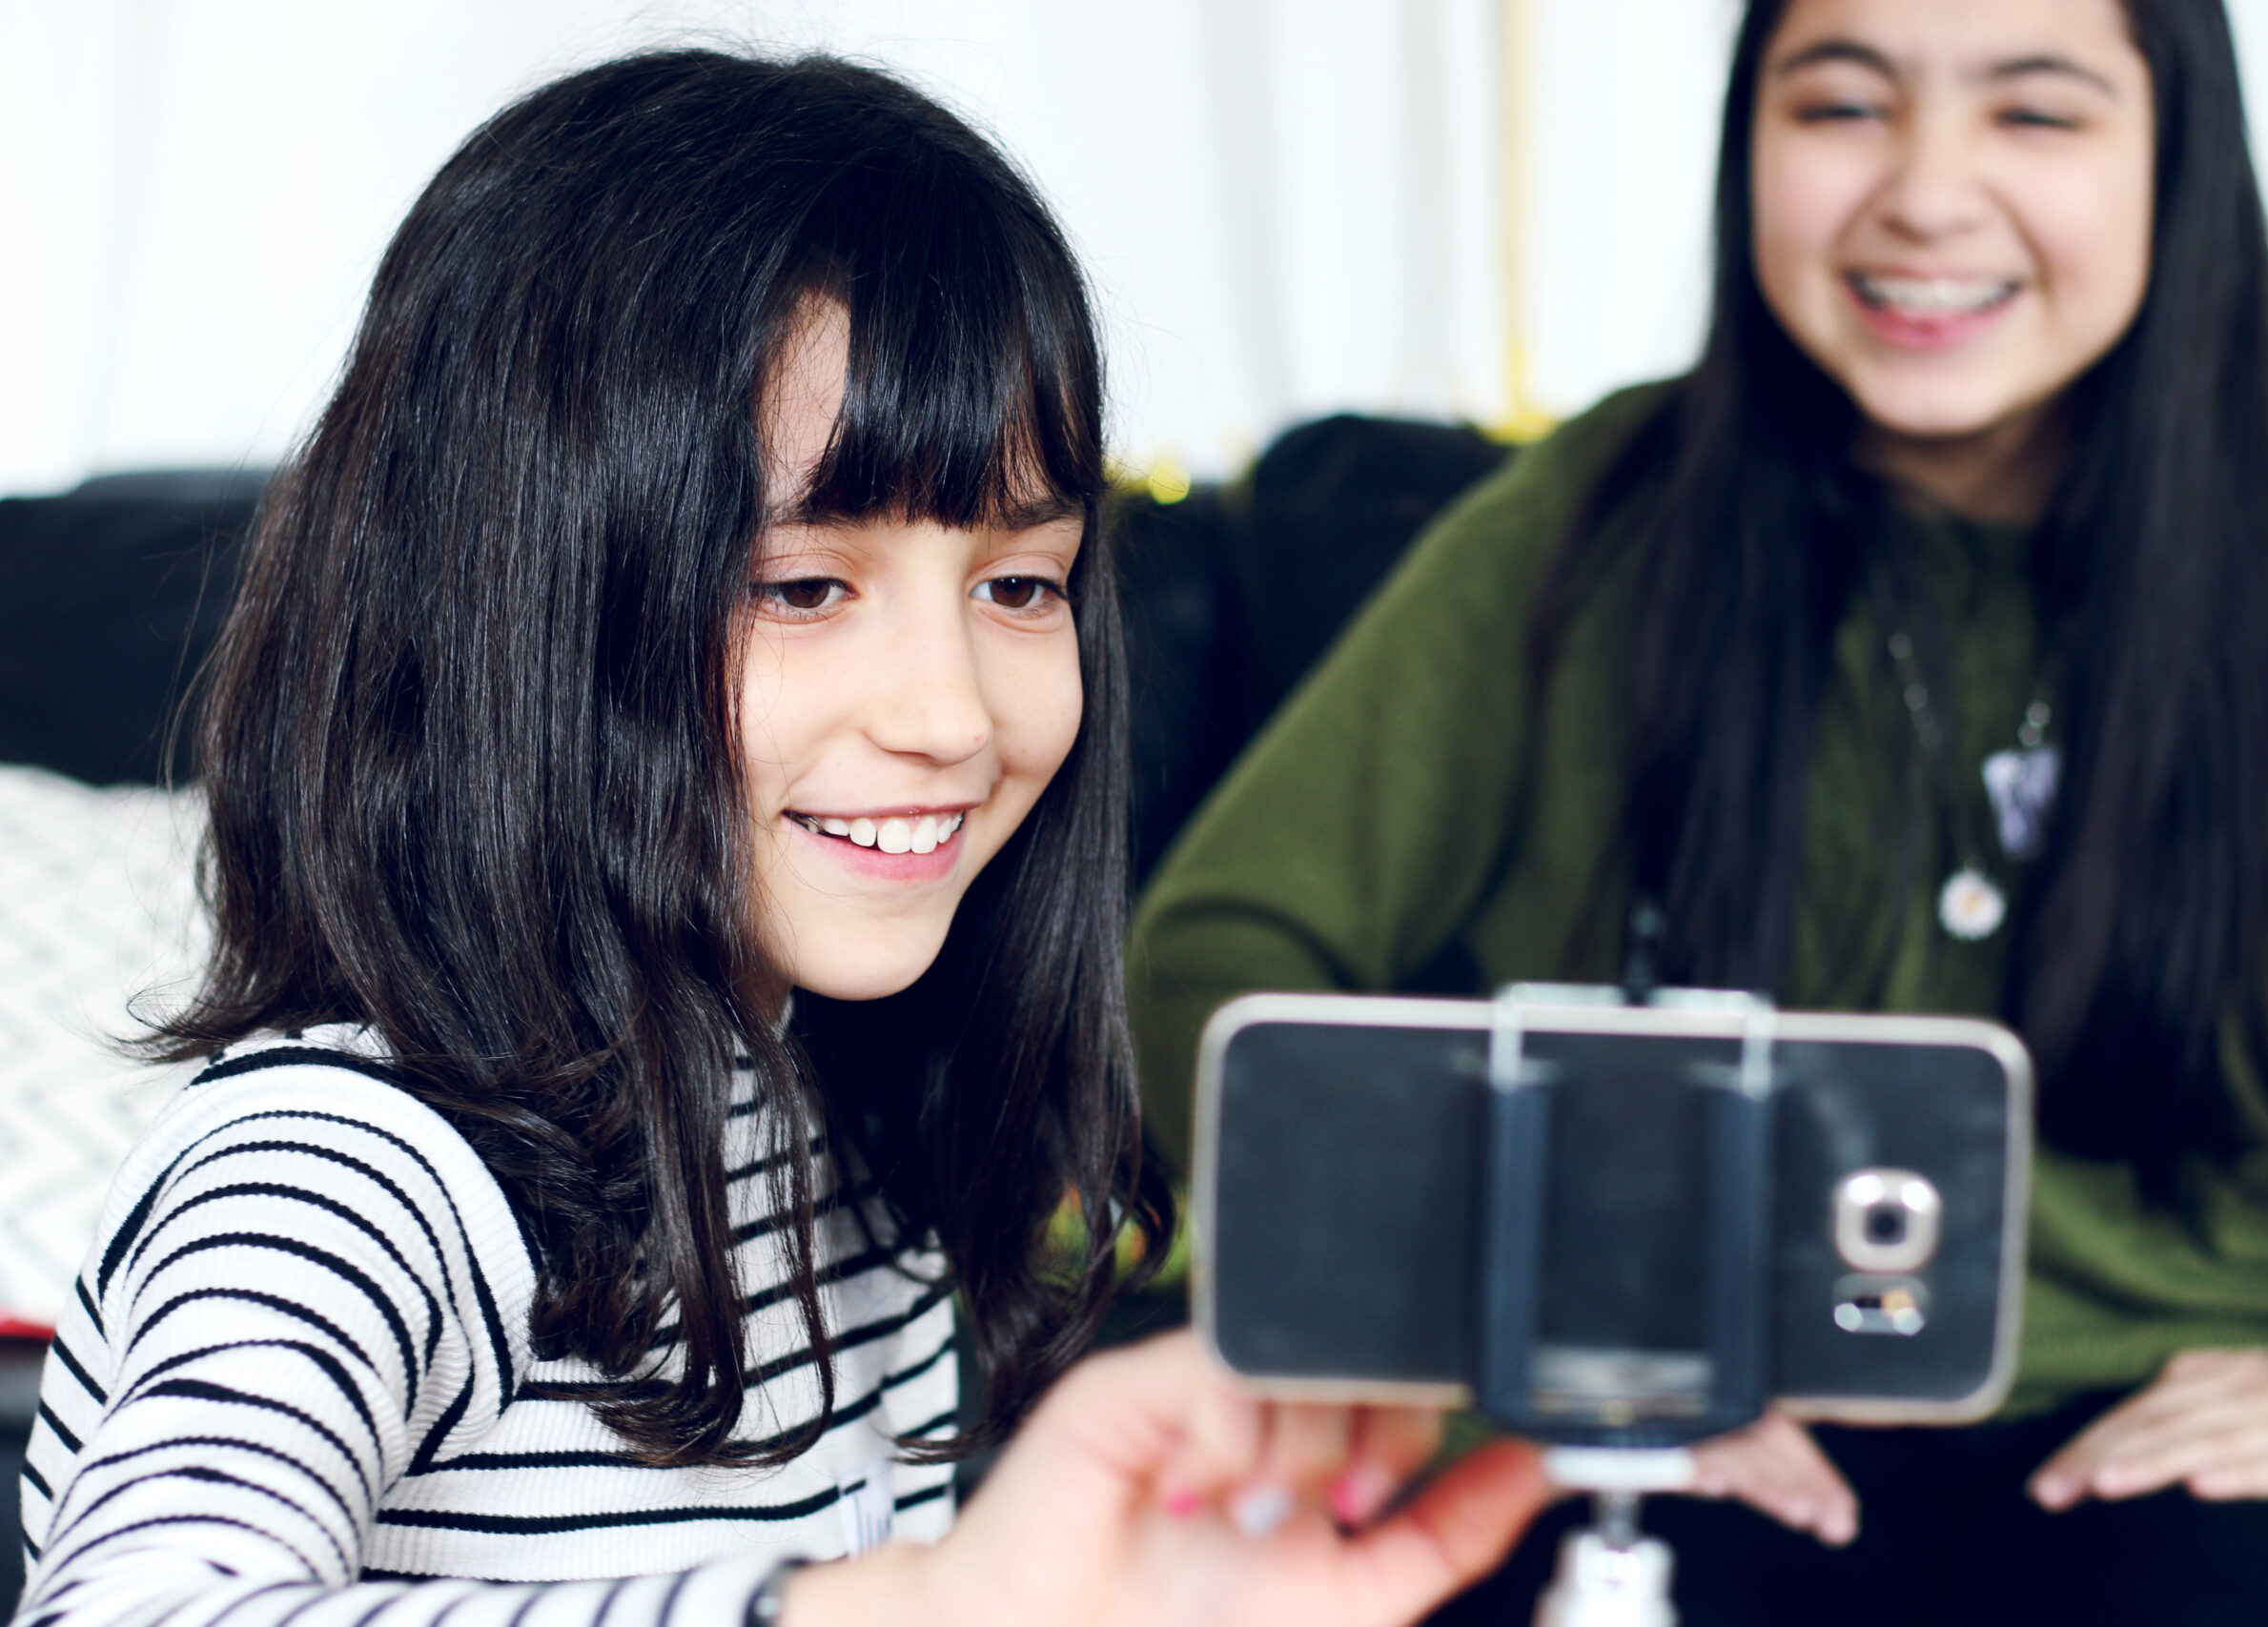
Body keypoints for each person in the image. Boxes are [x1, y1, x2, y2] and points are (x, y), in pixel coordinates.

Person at [11, 51, 1558, 1627]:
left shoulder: (845, 1142)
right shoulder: (343, 1168)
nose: (952, 713)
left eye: (1019, 584)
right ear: (515, 609)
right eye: (805, 587)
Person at [1126, 0, 2268, 1621]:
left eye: (2035, 114)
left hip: (2201, 1443)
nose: (1927, 195)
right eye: (1841, 106)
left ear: (2183, 161)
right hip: (1692, 1419)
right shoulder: (1603, 512)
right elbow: (1220, 957)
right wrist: (1533, 1310)